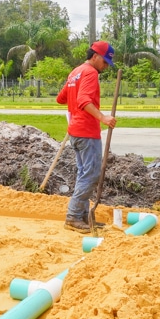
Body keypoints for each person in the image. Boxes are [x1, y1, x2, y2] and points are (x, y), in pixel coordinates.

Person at [56, 40, 117, 233]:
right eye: (105, 62)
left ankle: (82, 216)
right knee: (90, 175)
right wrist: (103, 117)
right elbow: (83, 100)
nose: (106, 66)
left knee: (85, 174)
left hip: (75, 131)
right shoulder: (90, 72)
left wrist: (74, 96)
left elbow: (61, 98)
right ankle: (73, 216)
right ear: (95, 56)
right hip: (87, 131)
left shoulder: (76, 72)